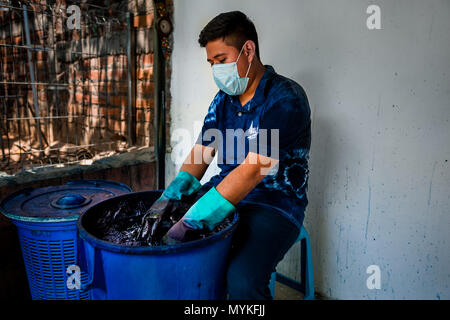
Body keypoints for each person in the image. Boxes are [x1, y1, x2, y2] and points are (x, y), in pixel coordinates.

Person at [145, 11, 311, 300]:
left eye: (221, 60)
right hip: (224, 192)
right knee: (161, 241)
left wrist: (194, 219)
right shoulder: (224, 100)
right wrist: (170, 196)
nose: (216, 70)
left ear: (248, 50)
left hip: (273, 204)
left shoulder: (285, 99)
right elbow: (201, 152)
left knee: (242, 282)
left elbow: (253, 171)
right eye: (211, 63)